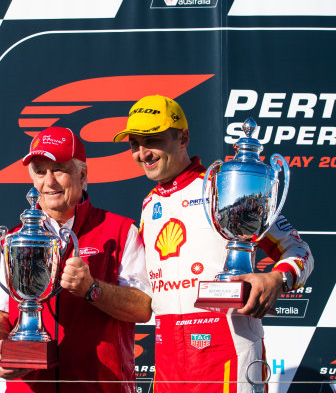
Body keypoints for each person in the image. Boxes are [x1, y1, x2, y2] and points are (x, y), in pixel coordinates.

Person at [112, 95, 314, 393]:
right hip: (168, 359)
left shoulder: (226, 185)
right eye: (134, 143)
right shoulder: (148, 204)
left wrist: (277, 278)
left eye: (152, 140)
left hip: (229, 351)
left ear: (183, 137)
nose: (143, 153)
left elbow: (298, 250)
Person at [0, 126, 152, 393]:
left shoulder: (119, 231)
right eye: (40, 171)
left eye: (59, 169)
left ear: (82, 174)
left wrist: (93, 290)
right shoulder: (13, 240)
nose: (49, 182)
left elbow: (143, 308)